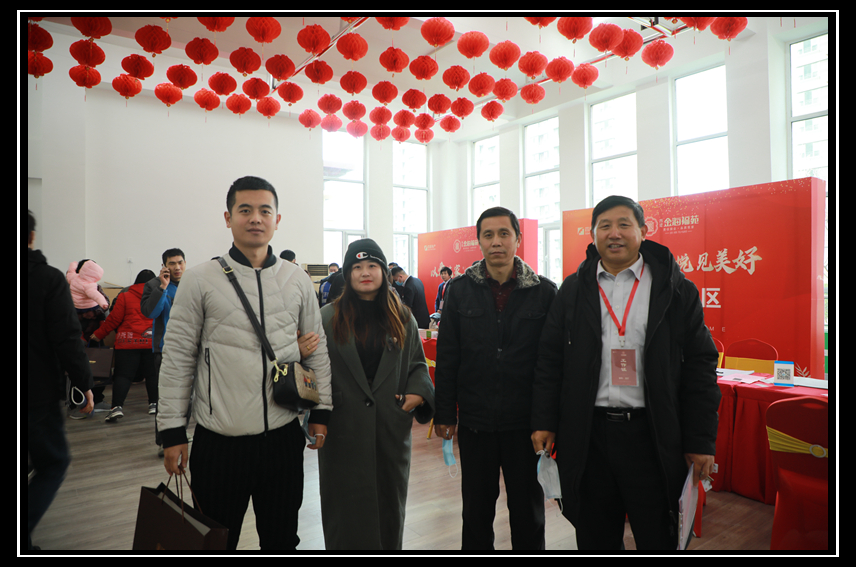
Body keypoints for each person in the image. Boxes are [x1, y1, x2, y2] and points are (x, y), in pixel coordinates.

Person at [530, 195, 721, 550]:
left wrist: (700, 440)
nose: (614, 233)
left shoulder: (675, 289)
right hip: (589, 435)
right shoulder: (573, 289)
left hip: (652, 434)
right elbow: (550, 360)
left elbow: (700, 367)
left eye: (623, 225)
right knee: (595, 535)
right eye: (604, 226)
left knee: (657, 534)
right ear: (593, 234)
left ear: (643, 231)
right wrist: (544, 420)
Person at [158, 176, 332, 551]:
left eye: (265, 211)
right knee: (216, 541)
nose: (255, 218)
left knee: (282, 539)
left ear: (277, 219)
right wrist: (172, 431)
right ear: (228, 217)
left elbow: (317, 350)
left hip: (283, 438)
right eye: (245, 210)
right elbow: (177, 359)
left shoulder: (297, 279)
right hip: (220, 442)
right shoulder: (199, 280)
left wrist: (322, 411)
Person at [433, 206, 557, 550]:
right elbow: (448, 357)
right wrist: (445, 413)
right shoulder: (460, 290)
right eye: (488, 235)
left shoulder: (545, 292)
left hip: (526, 426)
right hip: (476, 423)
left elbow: (551, 364)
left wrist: (547, 420)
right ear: (479, 241)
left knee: (528, 512)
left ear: (518, 238)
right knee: (475, 511)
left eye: (504, 233)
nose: (496, 242)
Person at [318, 239, 434, 550]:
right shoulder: (327, 317)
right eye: (357, 267)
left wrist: (417, 394)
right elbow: (314, 369)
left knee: (388, 506)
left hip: (389, 427)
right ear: (347, 273)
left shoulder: (402, 316)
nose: (365, 272)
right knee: (343, 510)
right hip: (343, 427)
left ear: (384, 271)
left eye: (372, 266)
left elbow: (417, 364)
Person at [27, 210, 94, 550]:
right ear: (31, 237)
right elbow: (67, 338)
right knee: (54, 462)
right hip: (34, 392)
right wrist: (84, 384)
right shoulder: (47, 279)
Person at [90, 269, 156, 422]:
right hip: (152, 342)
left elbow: (114, 319)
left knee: (123, 376)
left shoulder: (125, 295)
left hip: (127, 343)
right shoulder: (158, 296)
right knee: (152, 375)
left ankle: (116, 407)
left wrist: (99, 334)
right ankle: (154, 404)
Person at [140, 248, 185, 417]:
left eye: (180, 262)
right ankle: (166, 429)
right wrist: (162, 287)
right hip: (165, 348)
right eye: (172, 264)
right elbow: (150, 313)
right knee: (167, 394)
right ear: (164, 266)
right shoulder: (153, 285)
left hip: (190, 346)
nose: (177, 267)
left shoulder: (192, 282)